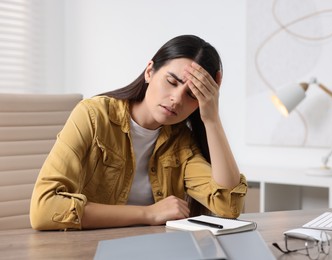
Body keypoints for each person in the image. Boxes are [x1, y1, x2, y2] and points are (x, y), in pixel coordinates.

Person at [30, 35, 247, 230]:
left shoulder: (181, 141)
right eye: (171, 82)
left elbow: (228, 205)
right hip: (91, 249)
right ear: (149, 71)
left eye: (192, 95)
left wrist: (212, 119)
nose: (177, 98)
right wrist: (148, 213)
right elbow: (45, 208)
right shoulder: (94, 116)